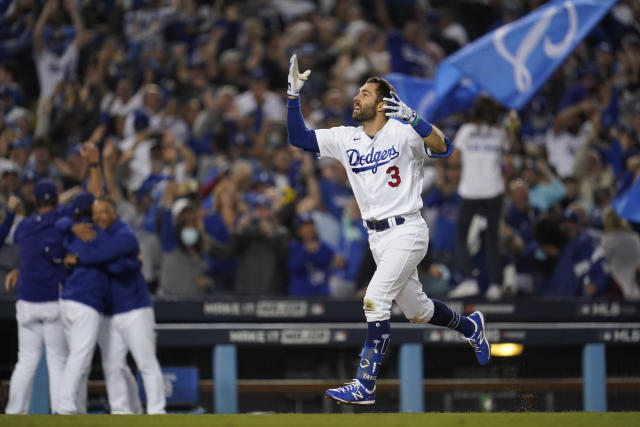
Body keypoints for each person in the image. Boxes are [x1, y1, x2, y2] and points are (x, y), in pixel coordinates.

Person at [285, 54, 490, 405]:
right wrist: (292, 97)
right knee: (418, 311)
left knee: (375, 299)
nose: (356, 97)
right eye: (358, 92)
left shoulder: (402, 130)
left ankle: (365, 383)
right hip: (377, 237)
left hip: (407, 230)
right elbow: (299, 138)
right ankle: (471, 326)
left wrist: (417, 120)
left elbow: (445, 148)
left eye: (365, 93)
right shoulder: (346, 138)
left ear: (382, 104)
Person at [65, 196, 166, 414]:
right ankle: (122, 412)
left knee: (145, 362)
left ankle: (157, 412)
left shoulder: (125, 234)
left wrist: (83, 258)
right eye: (95, 212)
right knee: (112, 366)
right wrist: (124, 261)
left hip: (135, 309)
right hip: (109, 313)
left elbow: (105, 258)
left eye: (103, 212)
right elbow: (106, 257)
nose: (98, 216)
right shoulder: (95, 232)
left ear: (115, 214)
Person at [4, 179, 69, 414]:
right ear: (55, 199)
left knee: (26, 361)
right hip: (52, 302)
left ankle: (14, 413)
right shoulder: (61, 222)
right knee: (57, 360)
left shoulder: (25, 227)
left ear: (35, 201)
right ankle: (61, 414)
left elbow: (14, 236)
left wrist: (14, 213)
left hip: (27, 303)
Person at [447, 95, 518, 300]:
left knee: (461, 237)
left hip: (470, 190)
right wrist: (512, 127)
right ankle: (495, 285)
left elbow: (452, 158)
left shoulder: (466, 131)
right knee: (492, 240)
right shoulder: (499, 132)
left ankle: (469, 281)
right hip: (493, 190)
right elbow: (510, 152)